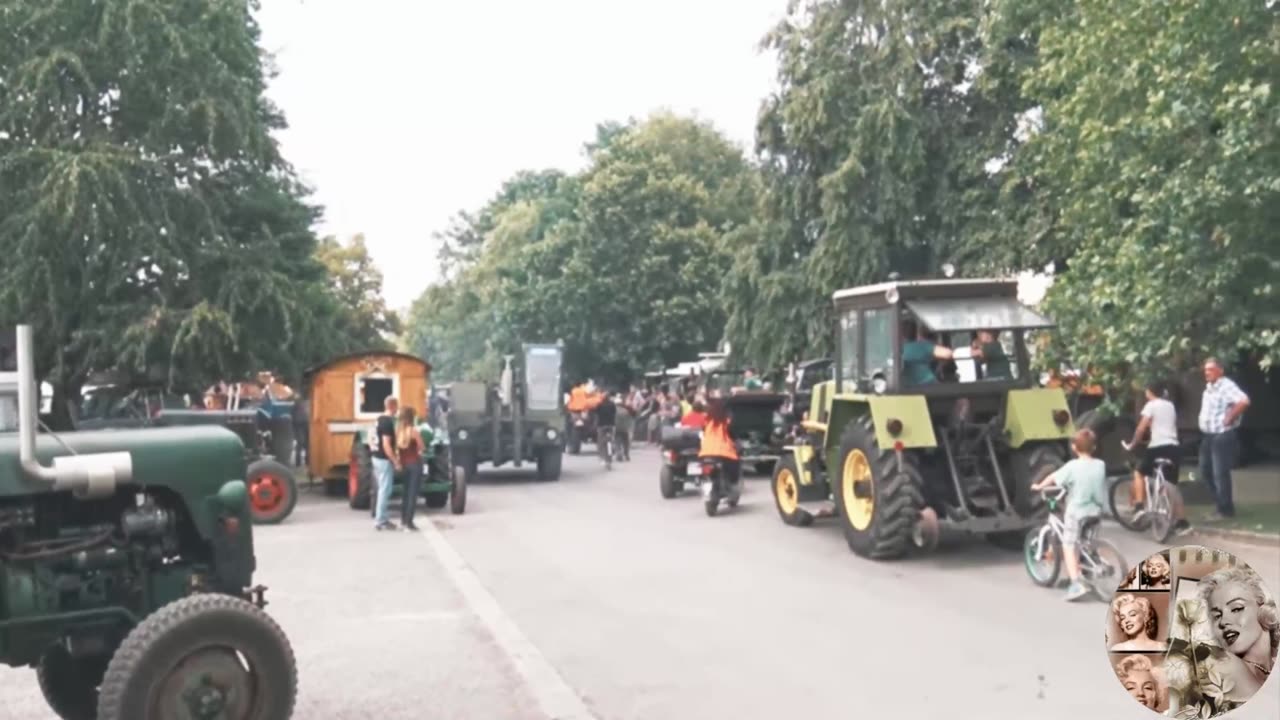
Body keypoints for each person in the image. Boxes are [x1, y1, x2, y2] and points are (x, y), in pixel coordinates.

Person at [1030, 428, 1108, 601]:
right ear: (1094, 447)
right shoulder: (1100, 465)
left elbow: (1053, 477)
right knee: (1085, 542)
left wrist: (1039, 486)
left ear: (1074, 447)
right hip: (1095, 511)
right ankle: (1086, 572)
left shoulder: (1072, 467)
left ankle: (1075, 584)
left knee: (1068, 545)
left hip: (1077, 512)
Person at [1196, 566, 1277, 703]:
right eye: (1216, 616)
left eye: (1236, 609)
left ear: (1263, 608)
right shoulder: (1226, 666)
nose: (1224, 622)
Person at [1124, 381, 1191, 535]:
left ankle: (1139, 507)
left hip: (1158, 447)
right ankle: (1182, 523)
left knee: (1139, 473)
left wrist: (1133, 444)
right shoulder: (1170, 406)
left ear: (1149, 392)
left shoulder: (1151, 405)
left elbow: (1141, 427)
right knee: (1171, 485)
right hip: (1173, 447)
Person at [1197, 358, 1250, 520]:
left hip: (1222, 435)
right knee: (1205, 470)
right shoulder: (1209, 389)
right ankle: (1220, 505)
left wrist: (1230, 417)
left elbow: (1244, 401)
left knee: (1220, 473)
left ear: (1220, 370)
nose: (1207, 372)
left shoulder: (1226, 385)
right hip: (1209, 435)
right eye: (1205, 370)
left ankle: (1226, 510)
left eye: (1211, 369)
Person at [371, 396, 400, 531]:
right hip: (383, 459)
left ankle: (382, 518)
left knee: (382, 488)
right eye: (397, 406)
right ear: (393, 406)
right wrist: (395, 461)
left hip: (376, 456)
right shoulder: (388, 422)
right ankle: (381, 520)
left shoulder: (378, 420)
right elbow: (386, 445)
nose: (397, 409)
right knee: (385, 490)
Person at [699, 395, 740, 490]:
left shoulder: (707, 422)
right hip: (723, 454)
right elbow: (733, 436)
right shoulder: (726, 422)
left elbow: (703, 433)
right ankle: (732, 484)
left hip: (705, 453)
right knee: (735, 464)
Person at [396, 406, 424, 531]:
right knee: (413, 494)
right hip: (414, 464)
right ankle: (409, 522)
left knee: (405, 493)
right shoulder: (413, 431)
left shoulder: (398, 431)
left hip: (404, 464)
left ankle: (402, 520)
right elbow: (421, 446)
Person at [902, 319, 953, 386]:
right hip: (929, 387)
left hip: (909, 389)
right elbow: (948, 353)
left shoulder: (896, 350)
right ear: (916, 333)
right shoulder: (921, 346)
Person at [595, 391, 617, 465]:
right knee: (611, 440)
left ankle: (601, 456)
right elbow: (614, 413)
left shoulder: (600, 405)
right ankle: (611, 453)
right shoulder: (612, 404)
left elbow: (596, 413)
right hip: (611, 425)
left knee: (600, 442)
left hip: (601, 426)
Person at [292, 394, 310, 467]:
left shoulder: (297, 403)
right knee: (305, 443)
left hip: (301, 423)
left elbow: (292, 413)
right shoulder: (307, 403)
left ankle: (300, 461)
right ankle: (305, 461)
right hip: (303, 423)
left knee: (302, 443)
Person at [614, 393, 633, 461]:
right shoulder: (625, 411)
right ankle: (626, 455)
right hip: (625, 429)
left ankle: (619, 454)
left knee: (617, 442)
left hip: (617, 429)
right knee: (626, 443)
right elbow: (629, 420)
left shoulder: (614, 411)